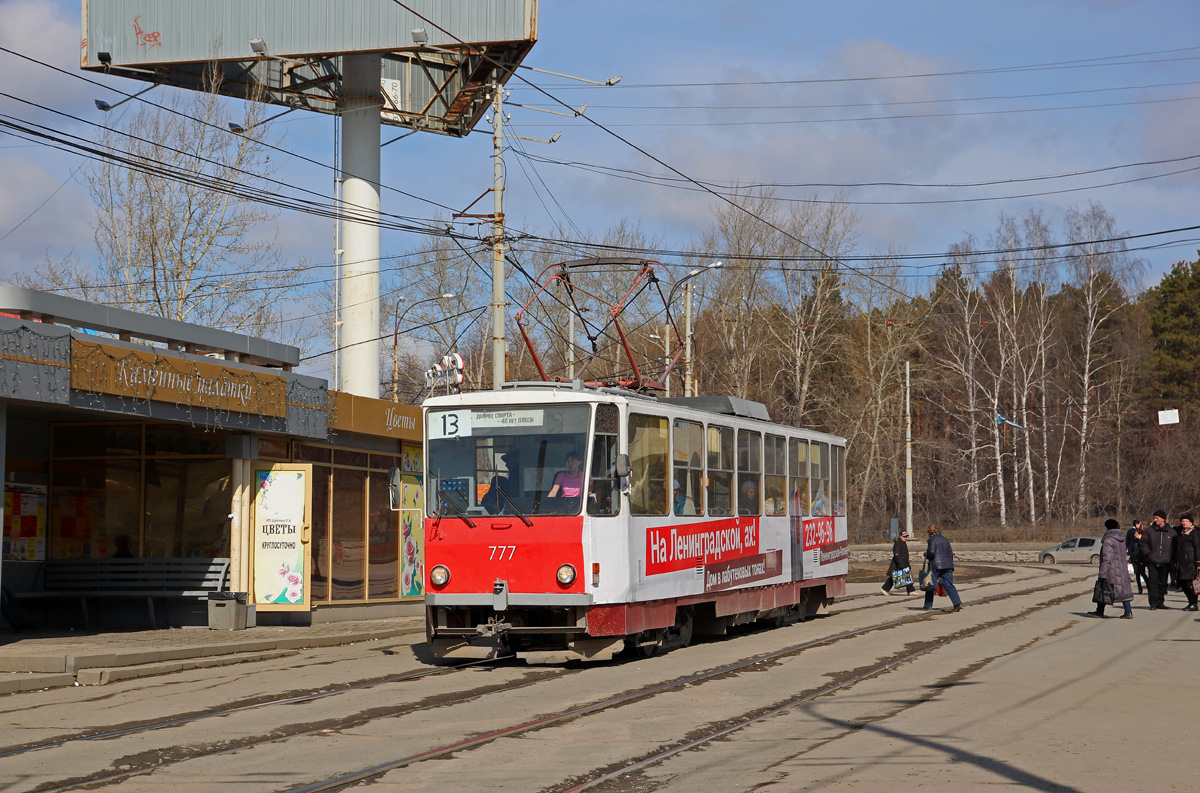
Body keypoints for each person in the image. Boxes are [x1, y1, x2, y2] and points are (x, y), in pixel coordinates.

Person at [1088, 518, 1134, 618]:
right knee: (1123, 590)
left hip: (1112, 570)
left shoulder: (1108, 540)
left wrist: (1102, 572)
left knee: (1104, 588)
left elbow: (1107, 558)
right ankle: (1128, 611)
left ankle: (1099, 611)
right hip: (1121, 569)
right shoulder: (1121, 540)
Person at [1138, 509, 1177, 610]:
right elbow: (1143, 543)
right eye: (1154, 518)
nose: (1155, 519)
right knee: (1153, 582)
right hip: (1152, 561)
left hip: (1165, 561)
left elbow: (1175, 546)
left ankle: (1160, 602)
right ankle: (1153, 602)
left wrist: (1171, 556)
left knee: (1162, 583)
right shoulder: (1150, 531)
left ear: (1163, 519)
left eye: (1157, 518)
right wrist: (1148, 554)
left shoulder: (1171, 532)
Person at [922, 525, 963, 612]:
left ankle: (927, 605)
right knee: (949, 585)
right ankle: (957, 603)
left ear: (930, 532)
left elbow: (931, 553)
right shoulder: (945, 540)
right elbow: (951, 554)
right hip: (948, 565)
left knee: (931, 585)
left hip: (936, 566)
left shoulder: (931, 540)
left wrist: (926, 554)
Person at [1172, 514, 1199, 611]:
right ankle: (1191, 602)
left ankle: (1194, 603)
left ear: (1191, 522)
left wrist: (1198, 562)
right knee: (1183, 583)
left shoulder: (1194, 533)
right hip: (1182, 562)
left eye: (1186, 521)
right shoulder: (1182, 533)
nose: (1184, 522)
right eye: (1183, 521)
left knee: (1190, 584)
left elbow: (1197, 548)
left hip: (1190, 562)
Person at [881, 530, 915, 596]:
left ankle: (911, 590)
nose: (905, 538)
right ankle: (884, 589)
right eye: (904, 536)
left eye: (906, 536)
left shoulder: (903, 543)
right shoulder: (898, 543)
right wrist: (900, 563)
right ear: (900, 536)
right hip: (898, 564)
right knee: (894, 577)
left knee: (907, 576)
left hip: (904, 563)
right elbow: (896, 554)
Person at [1126, 519, 1147, 595]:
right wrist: (1130, 559)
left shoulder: (1143, 542)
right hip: (1135, 559)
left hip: (1141, 560)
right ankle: (1140, 588)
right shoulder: (1135, 541)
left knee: (1142, 573)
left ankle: (1148, 586)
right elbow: (1134, 551)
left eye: (1136, 534)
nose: (1134, 535)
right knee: (1137, 574)